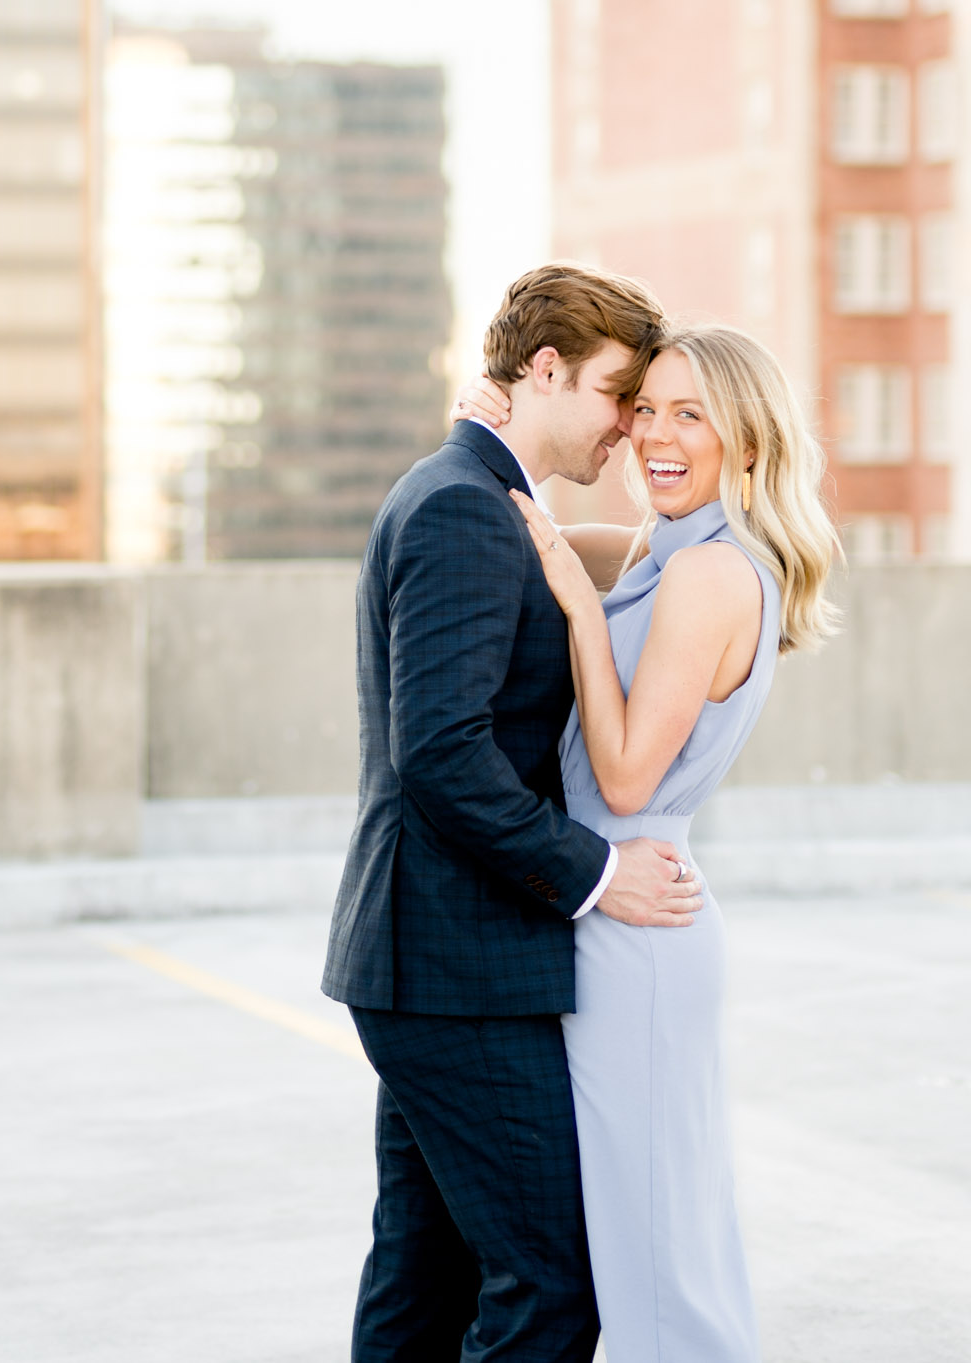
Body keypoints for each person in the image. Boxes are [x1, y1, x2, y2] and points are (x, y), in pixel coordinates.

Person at [322, 262, 704, 1363]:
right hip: (454, 968)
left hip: (430, 962)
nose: (627, 428)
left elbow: (631, 567)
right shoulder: (459, 510)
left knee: (423, 1275)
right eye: (614, 395)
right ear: (541, 371)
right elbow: (438, 756)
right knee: (548, 1282)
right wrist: (595, 870)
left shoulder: (481, 498)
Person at [456, 322, 840, 1362]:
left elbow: (623, 776)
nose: (653, 435)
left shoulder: (709, 575)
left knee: (660, 1253)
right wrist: (493, 431)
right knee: (636, 1238)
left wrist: (582, 615)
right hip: (604, 906)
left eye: (690, 414)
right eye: (644, 408)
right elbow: (518, 524)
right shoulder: (659, 553)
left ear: (748, 444)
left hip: (638, 919)